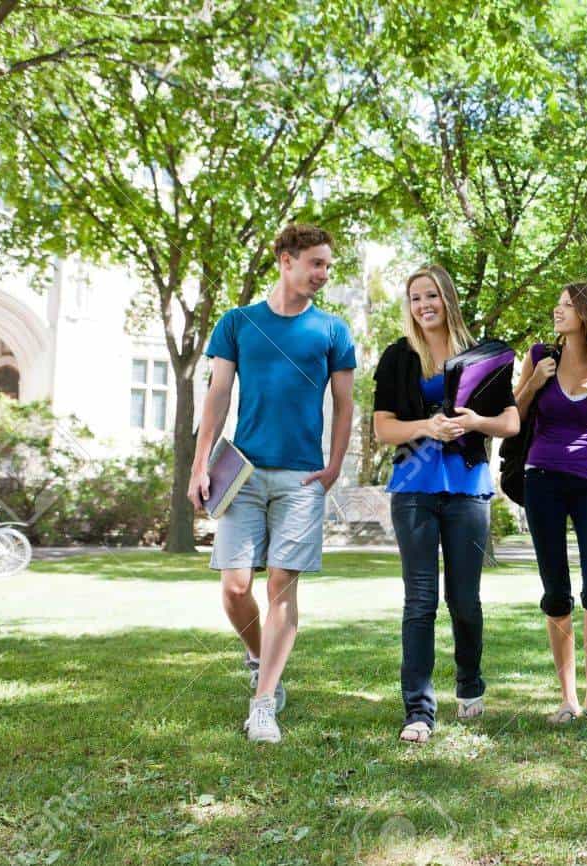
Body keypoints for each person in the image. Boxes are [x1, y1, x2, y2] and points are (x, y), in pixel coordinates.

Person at [189, 223, 356, 744]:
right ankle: (260, 656)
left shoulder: (332, 331)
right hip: (243, 473)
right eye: (316, 264)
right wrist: (199, 466)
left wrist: (333, 467)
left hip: (302, 479)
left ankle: (264, 702)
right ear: (286, 260)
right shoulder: (239, 323)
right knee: (236, 588)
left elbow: (347, 404)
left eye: (328, 265)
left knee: (281, 586)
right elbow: (217, 396)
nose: (324, 274)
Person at [373, 265, 520, 745]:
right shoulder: (398, 358)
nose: (423, 305)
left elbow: (512, 422)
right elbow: (383, 428)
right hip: (414, 489)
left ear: (447, 298)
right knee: (419, 602)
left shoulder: (484, 357)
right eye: (415, 298)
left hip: (468, 488)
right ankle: (418, 711)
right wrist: (425, 427)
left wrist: (476, 421)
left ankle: (469, 684)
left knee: (465, 601)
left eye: (431, 295)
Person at [514, 282, 587, 726]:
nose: (557, 311)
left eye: (566, 305)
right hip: (541, 479)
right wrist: (533, 383)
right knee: (556, 591)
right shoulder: (540, 356)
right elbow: (513, 418)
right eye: (557, 304)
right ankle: (567, 698)